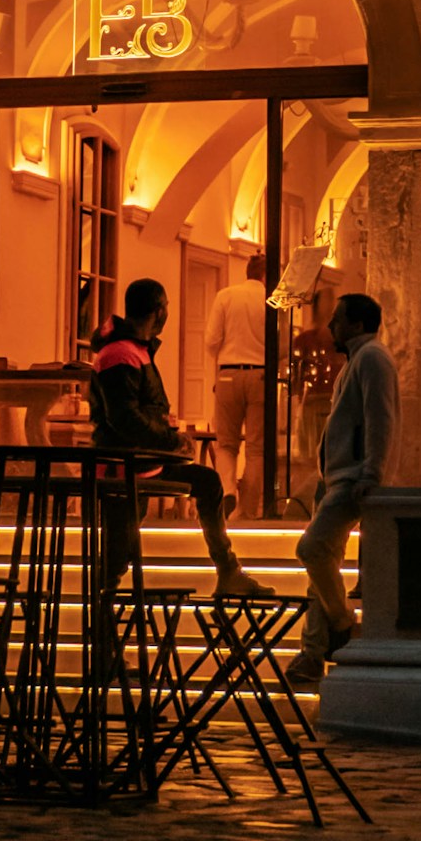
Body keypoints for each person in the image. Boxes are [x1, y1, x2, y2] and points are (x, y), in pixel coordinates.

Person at [90, 278, 272, 599]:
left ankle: (227, 569)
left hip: (143, 462)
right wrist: (172, 442)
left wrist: (167, 438)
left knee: (208, 484)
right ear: (159, 312)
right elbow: (125, 418)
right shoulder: (122, 354)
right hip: (126, 466)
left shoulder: (131, 350)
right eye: (167, 308)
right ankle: (103, 629)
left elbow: (137, 412)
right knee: (116, 556)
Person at [285, 291, 398, 685]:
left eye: (338, 318)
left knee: (312, 549)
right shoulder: (359, 359)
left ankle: (344, 625)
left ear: (356, 323)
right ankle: (312, 653)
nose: (331, 325)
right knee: (322, 564)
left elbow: (379, 417)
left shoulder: (371, 358)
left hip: (350, 478)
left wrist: (371, 472)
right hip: (338, 475)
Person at [205, 255, 268, 517]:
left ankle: (228, 492)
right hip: (261, 375)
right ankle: (249, 509)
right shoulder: (272, 301)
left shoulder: (226, 296)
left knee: (226, 444)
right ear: (268, 275)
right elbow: (284, 344)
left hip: (229, 372)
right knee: (256, 447)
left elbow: (211, 339)